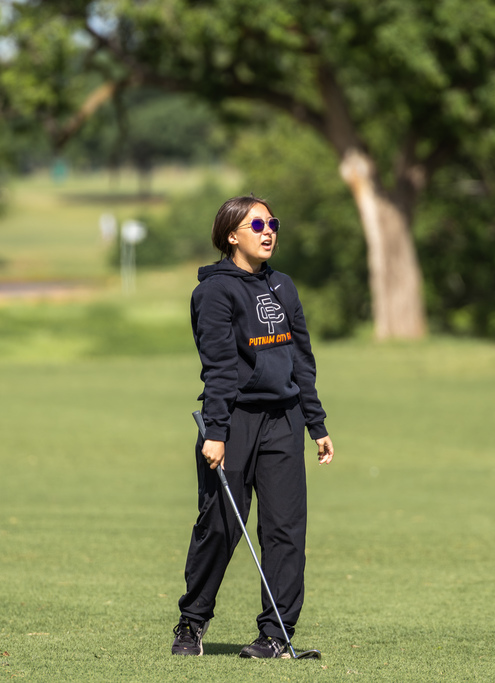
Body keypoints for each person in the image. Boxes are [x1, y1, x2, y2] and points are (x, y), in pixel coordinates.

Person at [171, 195, 335, 658]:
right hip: (234, 420)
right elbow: (219, 367)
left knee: (285, 530)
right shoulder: (213, 293)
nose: (268, 231)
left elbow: (302, 361)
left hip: (283, 420)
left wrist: (315, 423)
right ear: (231, 235)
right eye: (257, 224)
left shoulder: (284, 286)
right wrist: (217, 432)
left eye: (273, 223)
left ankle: (277, 634)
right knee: (221, 525)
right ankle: (192, 621)